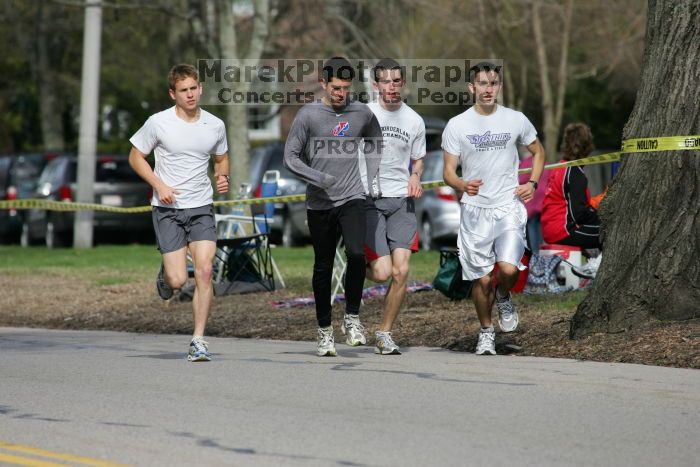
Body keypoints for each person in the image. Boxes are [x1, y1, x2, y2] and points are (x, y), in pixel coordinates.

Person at [442, 62, 545, 356]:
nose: (489, 89)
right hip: (475, 210)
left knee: (507, 269)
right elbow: (449, 171)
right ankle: (486, 332)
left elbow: (538, 152)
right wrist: (462, 184)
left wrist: (533, 182)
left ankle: (504, 294)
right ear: (472, 88)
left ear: (499, 86)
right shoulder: (457, 125)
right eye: (483, 84)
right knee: (482, 278)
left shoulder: (515, 119)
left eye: (494, 83)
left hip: (508, 206)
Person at [128, 63, 229, 362]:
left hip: (201, 207)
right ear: (173, 93)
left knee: (205, 271)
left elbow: (222, 159)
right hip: (168, 209)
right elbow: (136, 157)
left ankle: (198, 339)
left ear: (201, 89)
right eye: (183, 90)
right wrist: (158, 184)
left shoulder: (215, 125)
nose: (190, 95)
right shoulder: (158, 123)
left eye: (193, 89)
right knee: (177, 282)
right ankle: (166, 274)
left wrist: (223, 175)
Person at [283, 57, 382, 357]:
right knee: (323, 266)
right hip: (319, 203)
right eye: (336, 88)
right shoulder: (308, 115)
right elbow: (291, 157)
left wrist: (371, 176)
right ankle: (324, 330)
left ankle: (352, 319)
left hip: (352, 196)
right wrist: (318, 177)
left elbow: (374, 140)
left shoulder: (361, 112)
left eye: (346, 89)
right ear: (324, 84)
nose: (341, 94)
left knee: (355, 254)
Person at [361, 59, 426, 355]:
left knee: (402, 271)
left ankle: (384, 333)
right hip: (368, 201)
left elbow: (419, 158)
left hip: (401, 200)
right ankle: (354, 261)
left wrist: (415, 175)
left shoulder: (414, 120)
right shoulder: (363, 114)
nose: (392, 87)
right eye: (386, 82)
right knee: (382, 272)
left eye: (397, 81)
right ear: (376, 85)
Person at [541, 122, 602, 277]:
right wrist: (602, 213)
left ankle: (594, 262)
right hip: (563, 230)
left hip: (550, 228)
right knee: (612, 232)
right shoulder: (574, 173)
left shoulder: (560, 167)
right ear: (588, 146)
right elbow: (578, 214)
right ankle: (595, 266)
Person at [518, 153, 550, 253]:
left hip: (532, 200)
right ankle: (541, 253)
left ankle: (535, 254)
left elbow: (521, 179)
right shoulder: (544, 162)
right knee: (540, 228)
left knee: (531, 226)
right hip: (543, 200)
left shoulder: (526, 162)